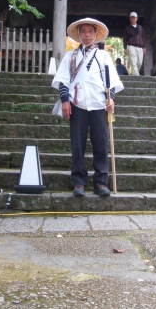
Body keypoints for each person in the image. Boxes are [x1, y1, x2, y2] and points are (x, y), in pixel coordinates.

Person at [52, 18, 124, 197]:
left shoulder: (103, 56)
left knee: (101, 144)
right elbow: (63, 80)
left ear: (95, 34)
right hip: (78, 104)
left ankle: (100, 182)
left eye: (90, 31)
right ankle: (79, 182)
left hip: (99, 105)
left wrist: (111, 98)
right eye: (83, 31)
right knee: (77, 145)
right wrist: (65, 100)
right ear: (78, 34)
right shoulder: (70, 56)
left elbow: (112, 82)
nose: (86, 34)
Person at [123, 12, 146, 76]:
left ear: (137, 19)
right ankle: (137, 76)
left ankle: (134, 74)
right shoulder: (127, 28)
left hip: (140, 47)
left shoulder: (140, 27)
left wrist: (144, 47)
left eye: (134, 18)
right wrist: (125, 48)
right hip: (131, 46)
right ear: (130, 19)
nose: (133, 19)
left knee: (140, 63)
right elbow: (125, 39)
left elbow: (143, 37)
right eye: (131, 18)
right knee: (133, 62)